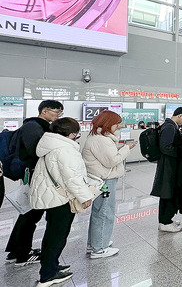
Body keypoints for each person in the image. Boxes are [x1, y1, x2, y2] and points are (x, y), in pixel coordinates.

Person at [29, 118, 94, 287]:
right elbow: (72, 178)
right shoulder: (65, 149)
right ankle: (48, 275)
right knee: (57, 236)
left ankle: (52, 265)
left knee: (53, 234)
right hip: (60, 198)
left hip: (51, 196)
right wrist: (85, 197)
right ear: (72, 133)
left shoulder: (50, 144)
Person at [5, 100, 63, 266]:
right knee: (31, 215)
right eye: (56, 111)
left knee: (28, 213)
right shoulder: (34, 127)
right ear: (44, 110)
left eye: (60, 112)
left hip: (36, 174)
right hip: (35, 175)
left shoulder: (37, 126)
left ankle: (16, 251)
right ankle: (22, 254)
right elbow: (37, 151)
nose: (58, 115)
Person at [82, 111, 135, 259]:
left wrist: (118, 127)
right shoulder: (101, 140)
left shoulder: (99, 136)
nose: (118, 127)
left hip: (100, 177)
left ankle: (95, 243)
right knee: (105, 212)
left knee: (99, 212)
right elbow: (112, 160)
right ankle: (99, 248)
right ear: (107, 124)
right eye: (116, 124)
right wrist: (127, 148)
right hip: (105, 179)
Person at [149, 107, 182, 233]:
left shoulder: (169, 125)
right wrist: (180, 152)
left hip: (168, 164)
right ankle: (165, 222)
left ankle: (166, 220)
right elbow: (165, 147)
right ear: (180, 116)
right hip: (168, 165)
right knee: (168, 193)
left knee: (167, 193)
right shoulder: (170, 127)